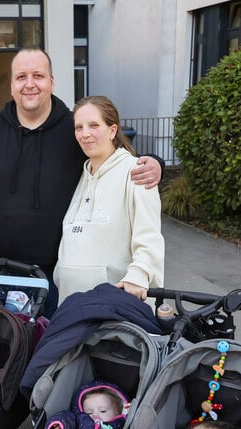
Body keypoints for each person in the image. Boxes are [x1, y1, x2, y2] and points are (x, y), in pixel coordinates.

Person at [0, 48, 162, 314]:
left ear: (51, 81)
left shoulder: (73, 128)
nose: (30, 84)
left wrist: (153, 162)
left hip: (53, 277)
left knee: (48, 350)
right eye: (21, 76)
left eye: (38, 75)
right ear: (12, 85)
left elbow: (108, 153)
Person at [54, 95, 164, 303]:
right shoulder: (82, 176)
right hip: (72, 305)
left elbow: (149, 235)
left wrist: (139, 275)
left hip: (115, 306)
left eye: (94, 125)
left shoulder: (136, 172)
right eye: (79, 127)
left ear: (112, 130)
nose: (85, 134)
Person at [44, 382, 129, 429]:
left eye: (103, 411)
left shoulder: (120, 425)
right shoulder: (79, 420)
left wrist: (129, 413)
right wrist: (62, 425)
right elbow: (66, 418)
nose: (95, 414)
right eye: (89, 413)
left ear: (118, 411)